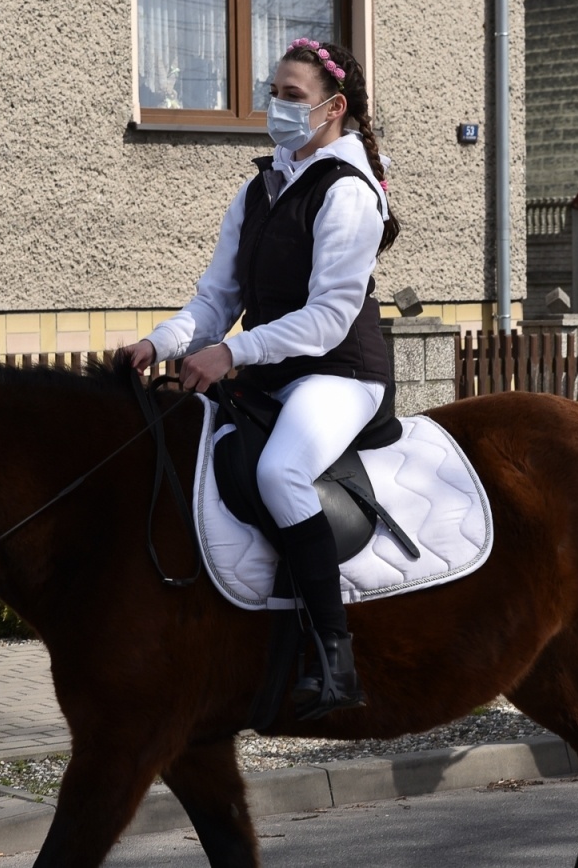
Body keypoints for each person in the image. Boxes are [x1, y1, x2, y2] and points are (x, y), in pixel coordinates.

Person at [123, 37, 396, 716]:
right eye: (274, 93)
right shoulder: (259, 188)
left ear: (333, 108)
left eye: (293, 96)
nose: (277, 107)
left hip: (339, 373)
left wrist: (232, 354)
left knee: (280, 472)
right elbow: (216, 299)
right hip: (270, 373)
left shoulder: (349, 191)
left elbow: (329, 317)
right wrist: (158, 342)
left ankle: (334, 658)